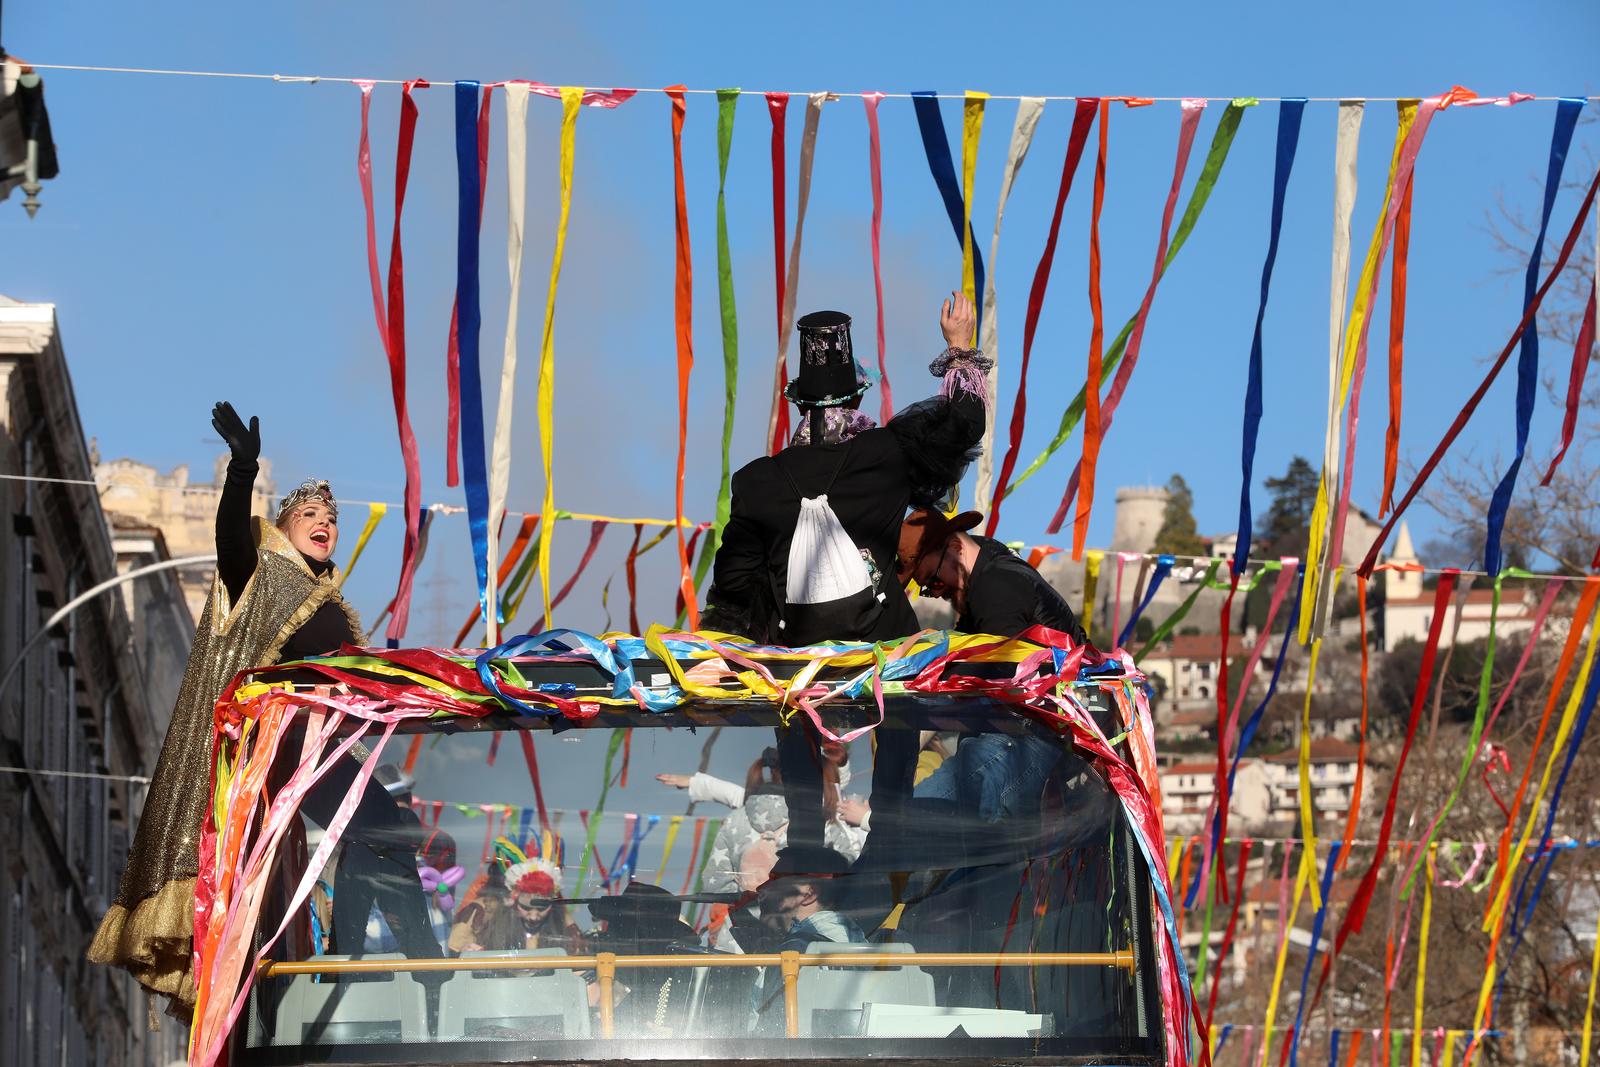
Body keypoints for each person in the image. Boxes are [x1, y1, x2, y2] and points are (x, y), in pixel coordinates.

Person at [87, 402, 438, 1015]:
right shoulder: (265, 573)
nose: (324, 522)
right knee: (378, 827)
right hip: (275, 753)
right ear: (284, 527)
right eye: (309, 514)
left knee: (388, 830)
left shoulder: (329, 601)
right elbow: (230, 539)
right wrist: (242, 472)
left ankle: (392, 963)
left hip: (318, 749)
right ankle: (393, 965)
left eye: (331, 517)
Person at [709, 292, 990, 857]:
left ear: (797, 403)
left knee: (791, 709)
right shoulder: (883, 456)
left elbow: (735, 581)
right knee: (903, 705)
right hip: (879, 636)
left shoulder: (757, 481)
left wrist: (724, 647)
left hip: (798, 649)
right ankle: (891, 826)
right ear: (856, 394)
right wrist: (959, 347)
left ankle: (806, 843)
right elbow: (962, 425)